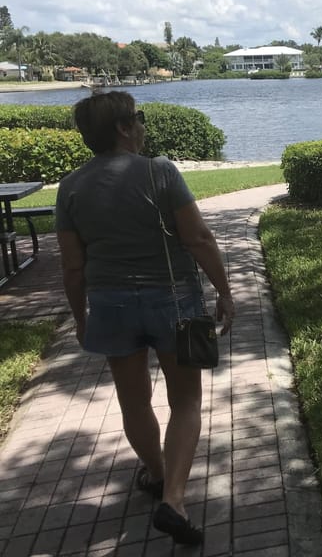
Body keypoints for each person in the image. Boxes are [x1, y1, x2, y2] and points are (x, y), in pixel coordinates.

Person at [56, 91, 235, 545]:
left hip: (110, 306)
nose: (141, 124)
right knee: (186, 401)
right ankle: (173, 500)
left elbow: (73, 267)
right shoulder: (160, 172)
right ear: (122, 128)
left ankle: (155, 473)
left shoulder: (71, 187)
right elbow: (198, 238)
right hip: (176, 302)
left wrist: (81, 318)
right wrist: (225, 291)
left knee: (134, 402)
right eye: (138, 117)